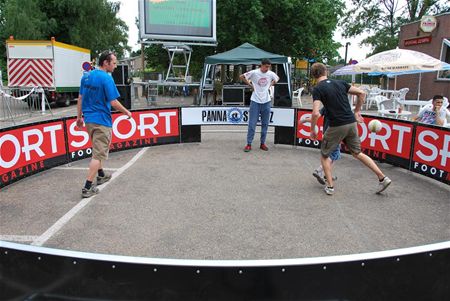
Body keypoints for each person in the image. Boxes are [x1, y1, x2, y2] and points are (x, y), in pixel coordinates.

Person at [309, 62, 391, 195]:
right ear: (326, 72)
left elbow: (315, 113)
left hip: (336, 125)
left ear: (313, 75)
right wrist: (357, 111)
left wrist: (312, 130)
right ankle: (383, 178)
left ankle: (330, 186)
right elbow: (361, 93)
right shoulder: (340, 83)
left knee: (324, 155)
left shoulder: (318, 89)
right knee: (358, 153)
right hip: (351, 123)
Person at [76, 51, 132, 198]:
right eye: (113, 63)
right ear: (105, 63)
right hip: (102, 121)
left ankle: (101, 175)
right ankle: (87, 187)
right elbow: (113, 102)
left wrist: (79, 117)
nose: (115, 66)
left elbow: (80, 98)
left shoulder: (86, 76)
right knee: (98, 154)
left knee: (97, 149)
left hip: (89, 120)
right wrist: (127, 112)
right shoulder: (107, 79)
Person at [240, 59, 279, 152]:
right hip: (255, 101)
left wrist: (270, 85)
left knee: (265, 124)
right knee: (252, 124)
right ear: (261, 65)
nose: (267, 68)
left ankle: (262, 143)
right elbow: (241, 76)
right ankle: (249, 144)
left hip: (266, 101)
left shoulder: (270, 73)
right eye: (266, 66)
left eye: (269, 67)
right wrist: (251, 85)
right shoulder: (254, 72)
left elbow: (277, 78)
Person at [300, 108, 340, 185]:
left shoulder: (326, 106)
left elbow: (315, 117)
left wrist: (304, 120)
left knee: (332, 156)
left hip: (326, 134)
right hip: (335, 134)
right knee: (333, 156)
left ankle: (326, 174)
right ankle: (319, 170)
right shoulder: (340, 105)